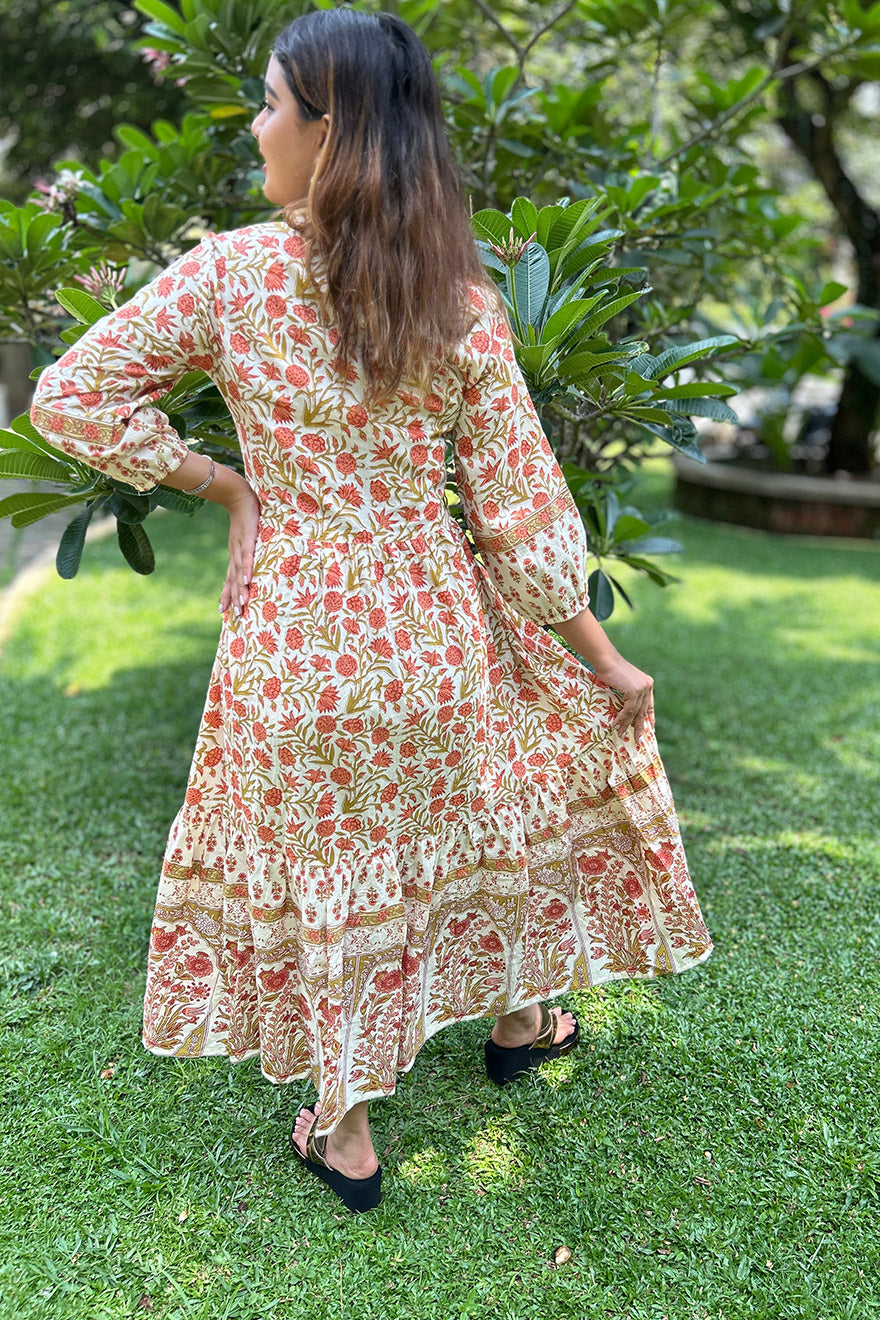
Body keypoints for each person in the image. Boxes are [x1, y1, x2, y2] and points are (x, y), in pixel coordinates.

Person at [29, 6, 713, 1214]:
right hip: (435, 631)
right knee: (485, 813)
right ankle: (520, 1021)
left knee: (336, 869)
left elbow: (68, 397)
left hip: (297, 636)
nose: (255, 126)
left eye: (270, 105)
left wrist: (223, 483)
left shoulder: (231, 275)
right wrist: (607, 660)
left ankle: (344, 1132)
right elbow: (520, 517)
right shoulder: (457, 298)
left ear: (329, 130)